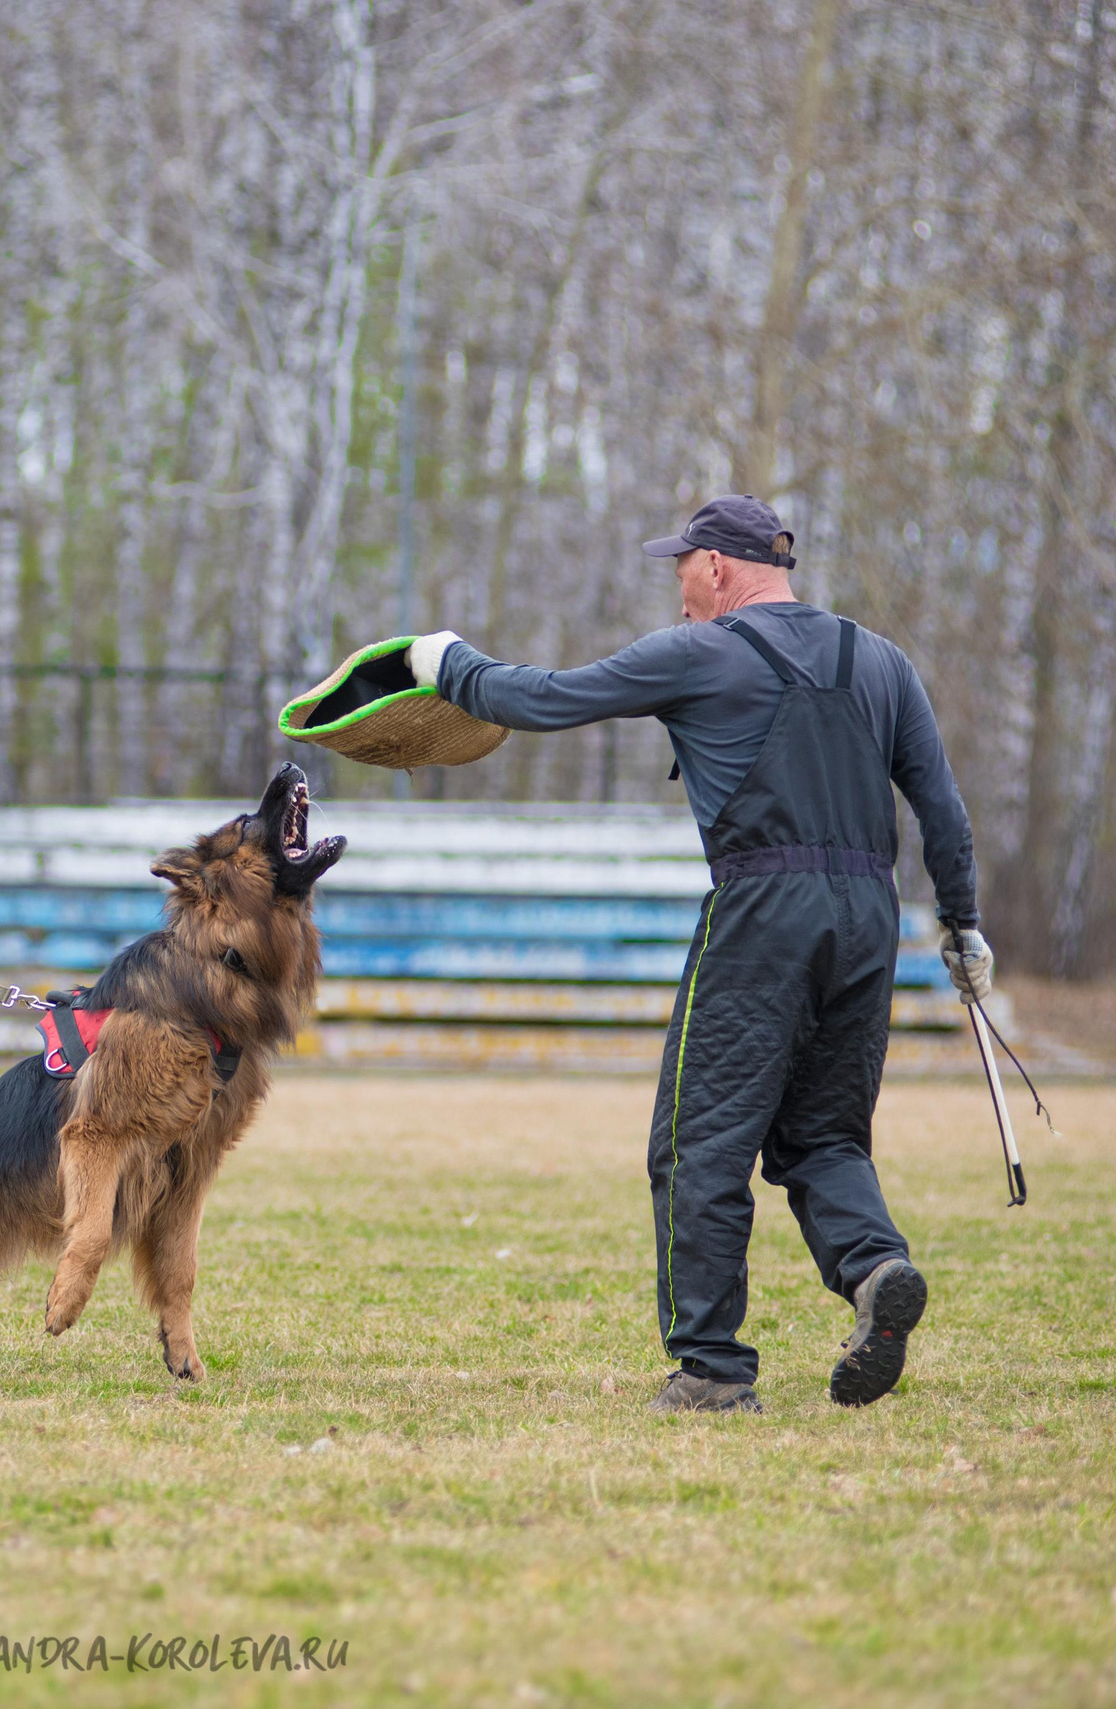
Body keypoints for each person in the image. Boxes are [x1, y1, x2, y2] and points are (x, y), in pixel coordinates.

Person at [403, 495, 994, 1413]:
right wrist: (962, 927)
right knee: (824, 1134)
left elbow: (545, 698)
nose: (677, 589)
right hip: (872, 914)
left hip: (763, 907)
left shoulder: (702, 651)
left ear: (717, 567)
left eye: (681, 567)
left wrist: (447, 662)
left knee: (698, 1140)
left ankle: (712, 1369)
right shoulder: (881, 660)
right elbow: (944, 811)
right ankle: (877, 1269)